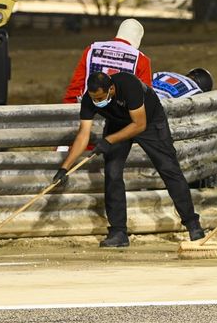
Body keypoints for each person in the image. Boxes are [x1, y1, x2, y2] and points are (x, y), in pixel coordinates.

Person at [53, 71, 205, 247]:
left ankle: (193, 225)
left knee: (168, 169)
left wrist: (109, 140)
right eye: (94, 98)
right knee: (112, 172)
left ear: (111, 88)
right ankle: (118, 232)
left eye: (101, 98)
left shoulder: (128, 84)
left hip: (149, 121)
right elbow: (83, 135)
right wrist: (64, 168)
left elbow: (139, 125)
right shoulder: (90, 98)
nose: (97, 102)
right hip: (118, 123)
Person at [62, 18, 152, 104]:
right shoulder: (141, 59)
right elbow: (146, 100)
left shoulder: (92, 50)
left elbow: (75, 90)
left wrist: (68, 115)